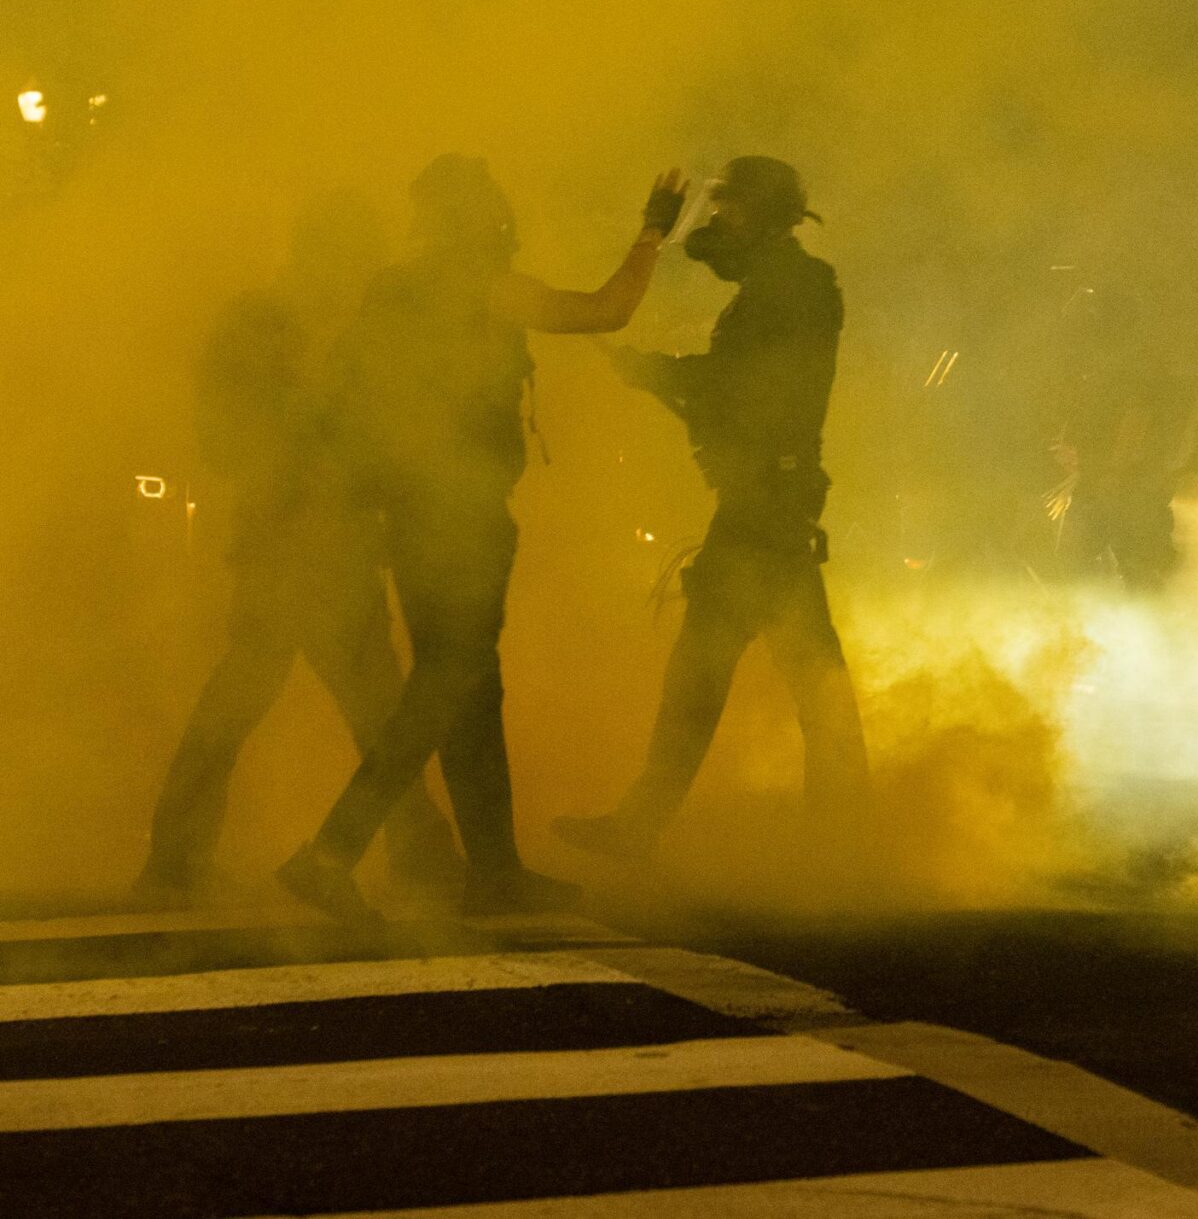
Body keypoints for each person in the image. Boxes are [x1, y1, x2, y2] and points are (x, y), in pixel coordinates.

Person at [276, 156, 686, 923]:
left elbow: (343, 398)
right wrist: (652, 230)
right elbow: (605, 309)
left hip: (407, 515)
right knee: (445, 684)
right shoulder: (477, 280)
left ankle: (495, 873)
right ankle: (329, 852)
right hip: (459, 518)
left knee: (467, 690)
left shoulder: (391, 291)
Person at [134, 194, 461, 907]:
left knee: (298, 700)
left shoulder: (293, 323)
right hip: (299, 544)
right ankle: (419, 846)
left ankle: (178, 858)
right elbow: (238, 438)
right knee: (358, 701)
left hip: (312, 542)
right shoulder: (284, 327)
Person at [554, 158, 864, 862]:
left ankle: (646, 827)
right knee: (808, 676)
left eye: (731, 210)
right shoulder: (784, 285)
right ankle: (843, 837)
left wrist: (649, 372)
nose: (719, 223)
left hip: (764, 507)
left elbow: (737, 389)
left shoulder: (793, 289)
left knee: (712, 672)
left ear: (759, 214)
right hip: (769, 502)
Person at [1053, 284, 1183, 592]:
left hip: (1121, 481)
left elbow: (1137, 419)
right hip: (1117, 479)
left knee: (1085, 566)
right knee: (1129, 567)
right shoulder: (1123, 361)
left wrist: (1113, 472)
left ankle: (1110, 627)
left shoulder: (1131, 365)